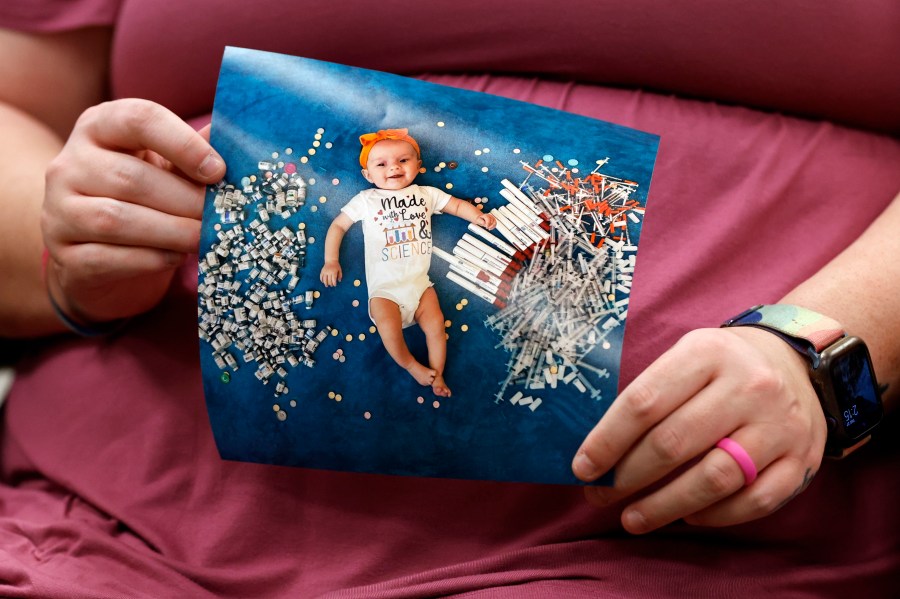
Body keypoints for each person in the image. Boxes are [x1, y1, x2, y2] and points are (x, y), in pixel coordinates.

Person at [1, 2, 899, 597]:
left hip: (679, 547)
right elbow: (18, 107)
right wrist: (76, 236)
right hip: (119, 527)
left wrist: (827, 351)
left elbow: (456, 207)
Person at [319, 128, 497, 397]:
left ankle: (438, 375)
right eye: (381, 164)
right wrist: (331, 261)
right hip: (385, 291)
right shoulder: (367, 200)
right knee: (389, 331)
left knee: (436, 326)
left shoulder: (426, 193)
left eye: (403, 160)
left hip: (419, 284)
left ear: (418, 166)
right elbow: (338, 227)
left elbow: (457, 206)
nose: (393, 168)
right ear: (368, 175)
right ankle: (412, 366)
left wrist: (476, 216)